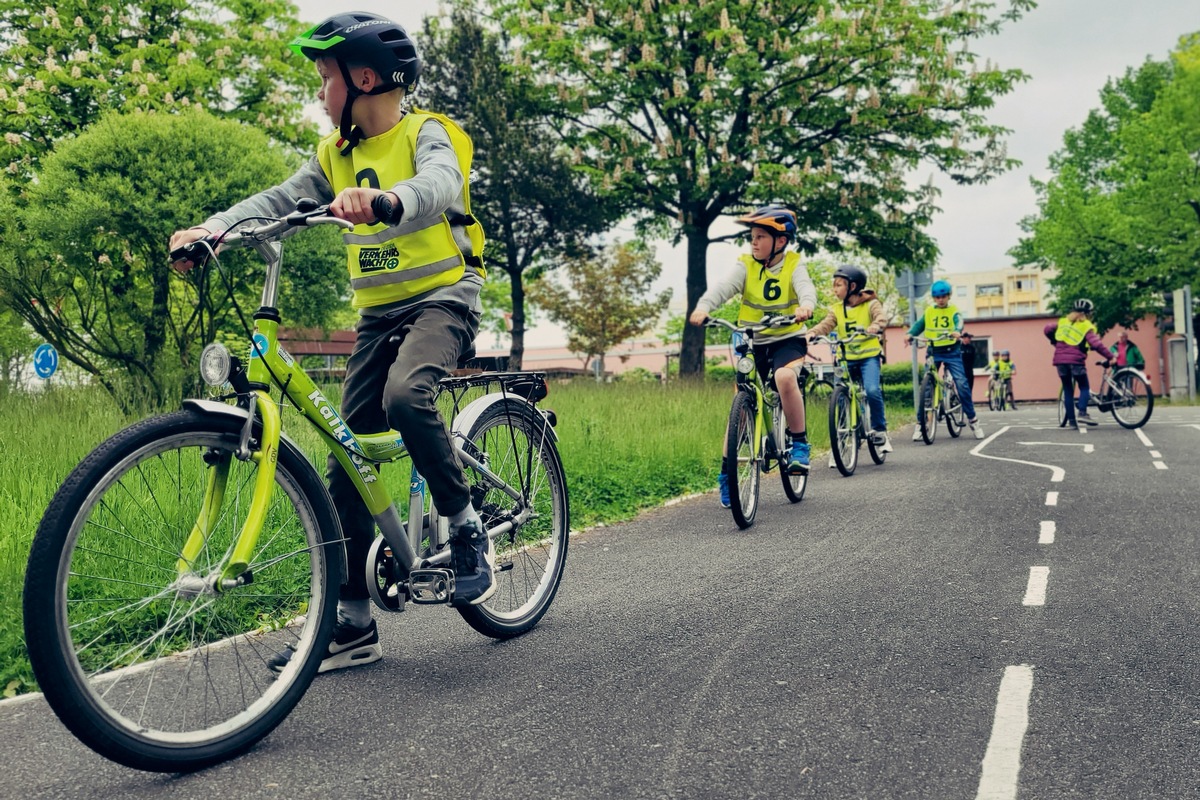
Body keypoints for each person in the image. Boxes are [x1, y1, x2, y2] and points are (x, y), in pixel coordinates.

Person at [169, 12, 492, 672]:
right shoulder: (333, 156)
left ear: (364, 78)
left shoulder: (428, 133)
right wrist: (215, 229)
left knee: (407, 396)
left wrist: (388, 203)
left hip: (445, 298)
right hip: (378, 316)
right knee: (348, 454)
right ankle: (351, 623)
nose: (320, 93)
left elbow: (439, 184)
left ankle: (465, 529)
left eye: (325, 79)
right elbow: (281, 197)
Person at [688, 205, 817, 508]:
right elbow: (723, 288)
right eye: (752, 237)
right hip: (753, 340)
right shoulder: (746, 265)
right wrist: (704, 306)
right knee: (741, 404)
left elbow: (806, 289)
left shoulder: (794, 264)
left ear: (780, 241)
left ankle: (799, 444)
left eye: (760, 237)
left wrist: (805, 306)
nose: (754, 242)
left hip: (788, 338)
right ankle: (727, 475)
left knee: (785, 377)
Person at [806, 263, 893, 454]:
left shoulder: (871, 304)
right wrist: (811, 333)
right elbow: (825, 325)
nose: (834, 289)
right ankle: (841, 442)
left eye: (838, 285)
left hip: (868, 357)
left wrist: (875, 326)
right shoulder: (836, 309)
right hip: (846, 358)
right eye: (834, 285)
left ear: (852, 287)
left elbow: (881, 318)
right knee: (840, 397)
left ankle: (880, 431)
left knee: (871, 390)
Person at [905, 279, 984, 440]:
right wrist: (909, 334)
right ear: (934, 298)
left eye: (943, 297)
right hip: (933, 350)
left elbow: (959, 321)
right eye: (937, 297)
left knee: (961, 384)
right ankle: (921, 425)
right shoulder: (929, 311)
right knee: (926, 387)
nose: (940, 300)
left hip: (952, 351)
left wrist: (956, 331)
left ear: (949, 296)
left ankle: (973, 420)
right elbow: (919, 325)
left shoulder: (954, 310)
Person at [1044, 298, 1115, 429]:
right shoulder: (1086, 325)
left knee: (1067, 390)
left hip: (1060, 361)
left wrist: (1055, 342)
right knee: (1084, 387)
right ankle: (1082, 412)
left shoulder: (1063, 322)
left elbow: (1047, 328)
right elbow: (1096, 344)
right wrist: (1110, 356)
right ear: (1088, 313)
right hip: (1076, 361)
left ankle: (1072, 422)